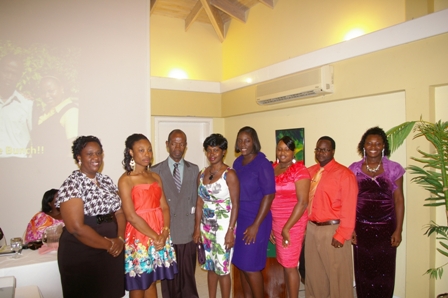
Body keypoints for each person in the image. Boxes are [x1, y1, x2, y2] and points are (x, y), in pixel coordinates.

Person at [55, 136, 125, 298]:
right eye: (90, 154)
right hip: (82, 253)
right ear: (79, 157)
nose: (96, 158)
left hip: (112, 250)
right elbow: (76, 228)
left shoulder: (106, 180)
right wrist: (108, 244)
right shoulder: (72, 184)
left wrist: (120, 239)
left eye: (99, 153)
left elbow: (120, 212)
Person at [118, 133, 178, 298]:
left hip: (159, 232)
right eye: (142, 150)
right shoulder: (126, 180)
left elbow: (165, 207)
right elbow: (130, 216)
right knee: (138, 282)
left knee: (152, 280)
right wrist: (155, 236)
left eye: (149, 150)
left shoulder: (155, 176)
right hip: (140, 234)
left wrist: (164, 232)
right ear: (131, 152)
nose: (147, 154)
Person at [349, 127, 405, 298]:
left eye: (378, 143)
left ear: (383, 146)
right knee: (363, 272)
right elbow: (349, 200)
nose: (373, 146)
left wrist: (398, 230)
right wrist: (350, 227)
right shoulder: (354, 169)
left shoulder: (394, 168)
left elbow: (399, 200)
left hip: (386, 228)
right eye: (369, 143)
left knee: (385, 272)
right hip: (361, 228)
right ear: (363, 145)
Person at [305, 136, 358, 298]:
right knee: (314, 276)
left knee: (338, 277)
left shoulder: (344, 174)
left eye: (325, 149)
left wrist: (342, 234)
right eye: (318, 149)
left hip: (333, 230)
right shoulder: (309, 172)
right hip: (311, 229)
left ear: (333, 151)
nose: (321, 152)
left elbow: (349, 207)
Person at [151, 129, 199, 298]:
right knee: (169, 278)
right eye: (174, 143)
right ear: (167, 144)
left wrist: (196, 229)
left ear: (185, 146)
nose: (177, 147)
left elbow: (195, 202)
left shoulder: (194, 169)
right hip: (167, 230)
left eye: (181, 143)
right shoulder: (155, 171)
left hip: (187, 230)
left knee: (188, 276)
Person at [193, 133, 240, 298]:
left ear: (224, 152)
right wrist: (197, 230)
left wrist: (230, 231)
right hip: (206, 227)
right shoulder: (201, 174)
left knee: (223, 268)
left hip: (224, 227)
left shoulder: (230, 174)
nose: (212, 154)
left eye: (216, 150)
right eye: (209, 150)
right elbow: (199, 203)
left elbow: (235, 204)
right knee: (210, 266)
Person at [232, 126, 276, 298]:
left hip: (257, 219)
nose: (243, 144)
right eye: (240, 140)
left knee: (251, 267)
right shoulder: (237, 163)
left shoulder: (262, 164)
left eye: (247, 140)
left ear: (254, 142)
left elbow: (269, 195)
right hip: (241, 219)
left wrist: (255, 225)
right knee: (242, 266)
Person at [270, 136, 310, 297]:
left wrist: (286, 227)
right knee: (285, 264)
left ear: (294, 152)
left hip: (293, 223)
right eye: (280, 149)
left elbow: (303, 203)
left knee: (290, 264)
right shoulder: (272, 169)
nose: (282, 152)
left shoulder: (301, 171)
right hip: (276, 222)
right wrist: (272, 226)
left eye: (287, 149)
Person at [31, 75, 78, 155]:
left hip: (57, 165)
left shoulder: (71, 112)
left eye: (51, 91)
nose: (46, 96)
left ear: (62, 89)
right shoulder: (44, 112)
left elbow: (72, 149)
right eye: (43, 92)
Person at [0, 54, 33, 158]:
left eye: (14, 74)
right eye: (6, 72)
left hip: (17, 165)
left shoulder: (27, 103)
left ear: (19, 77)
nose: (9, 77)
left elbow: (36, 138)